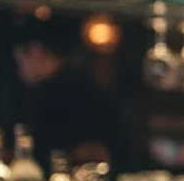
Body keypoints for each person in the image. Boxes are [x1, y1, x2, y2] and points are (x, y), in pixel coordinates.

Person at [10, 15, 128, 172]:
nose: (20, 67)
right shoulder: (86, 88)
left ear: (36, 50)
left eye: (21, 58)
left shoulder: (61, 96)